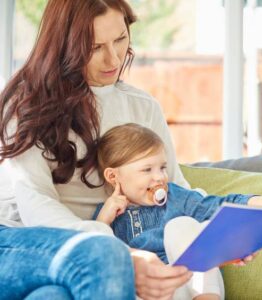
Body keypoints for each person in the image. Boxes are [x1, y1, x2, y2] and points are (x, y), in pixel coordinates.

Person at [0, 0, 192, 299]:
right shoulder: (27, 104)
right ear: (64, 46)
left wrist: (221, 234)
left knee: (53, 297)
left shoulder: (141, 107)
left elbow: (175, 188)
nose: (113, 58)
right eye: (94, 47)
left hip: (98, 252)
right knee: (105, 255)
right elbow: (34, 201)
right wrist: (118, 254)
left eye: (120, 39)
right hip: (22, 240)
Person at [91, 123, 262, 300]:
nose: (159, 177)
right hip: (151, 291)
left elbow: (215, 207)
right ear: (113, 177)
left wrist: (257, 202)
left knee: (182, 225)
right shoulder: (108, 214)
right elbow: (98, 257)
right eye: (147, 170)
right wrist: (103, 221)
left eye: (162, 167)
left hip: (190, 285)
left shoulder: (176, 197)